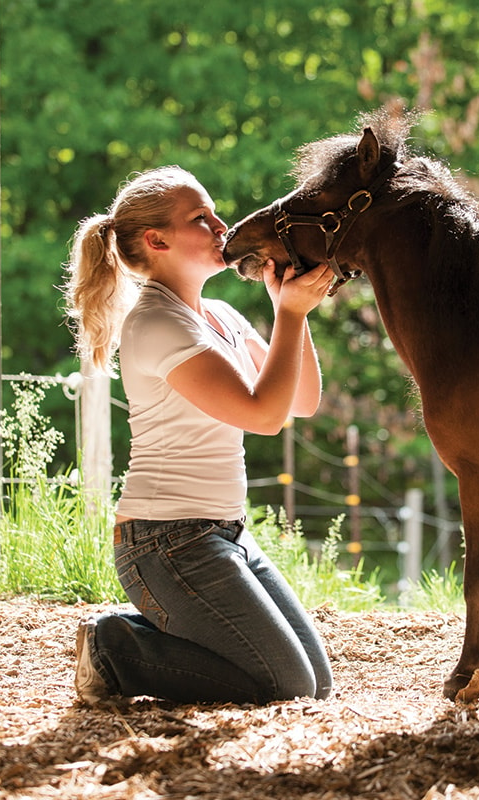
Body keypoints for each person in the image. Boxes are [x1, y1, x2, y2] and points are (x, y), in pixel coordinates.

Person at [62, 165, 335, 705]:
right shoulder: (156, 323)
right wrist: (293, 317)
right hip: (166, 544)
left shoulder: (223, 315)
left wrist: (290, 312)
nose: (220, 225)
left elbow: (302, 400)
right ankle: (116, 649)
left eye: (214, 212)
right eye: (199, 218)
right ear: (157, 240)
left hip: (226, 535)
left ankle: (152, 628)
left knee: (315, 683)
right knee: (288, 686)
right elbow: (261, 415)